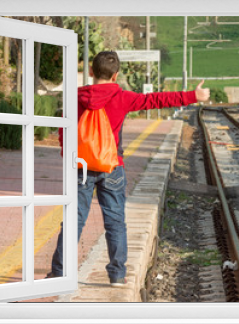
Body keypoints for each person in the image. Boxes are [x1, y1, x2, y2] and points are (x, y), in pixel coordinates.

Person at [47, 51, 210, 286]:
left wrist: (69, 156)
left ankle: (60, 271)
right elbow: (155, 100)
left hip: (81, 166)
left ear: (91, 72)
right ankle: (116, 275)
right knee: (115, 220)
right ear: (116, 75)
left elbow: (63, 129)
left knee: (74, 219)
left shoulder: (75, 98)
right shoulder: (122, 97)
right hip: (112, 165)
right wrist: (192, 95)